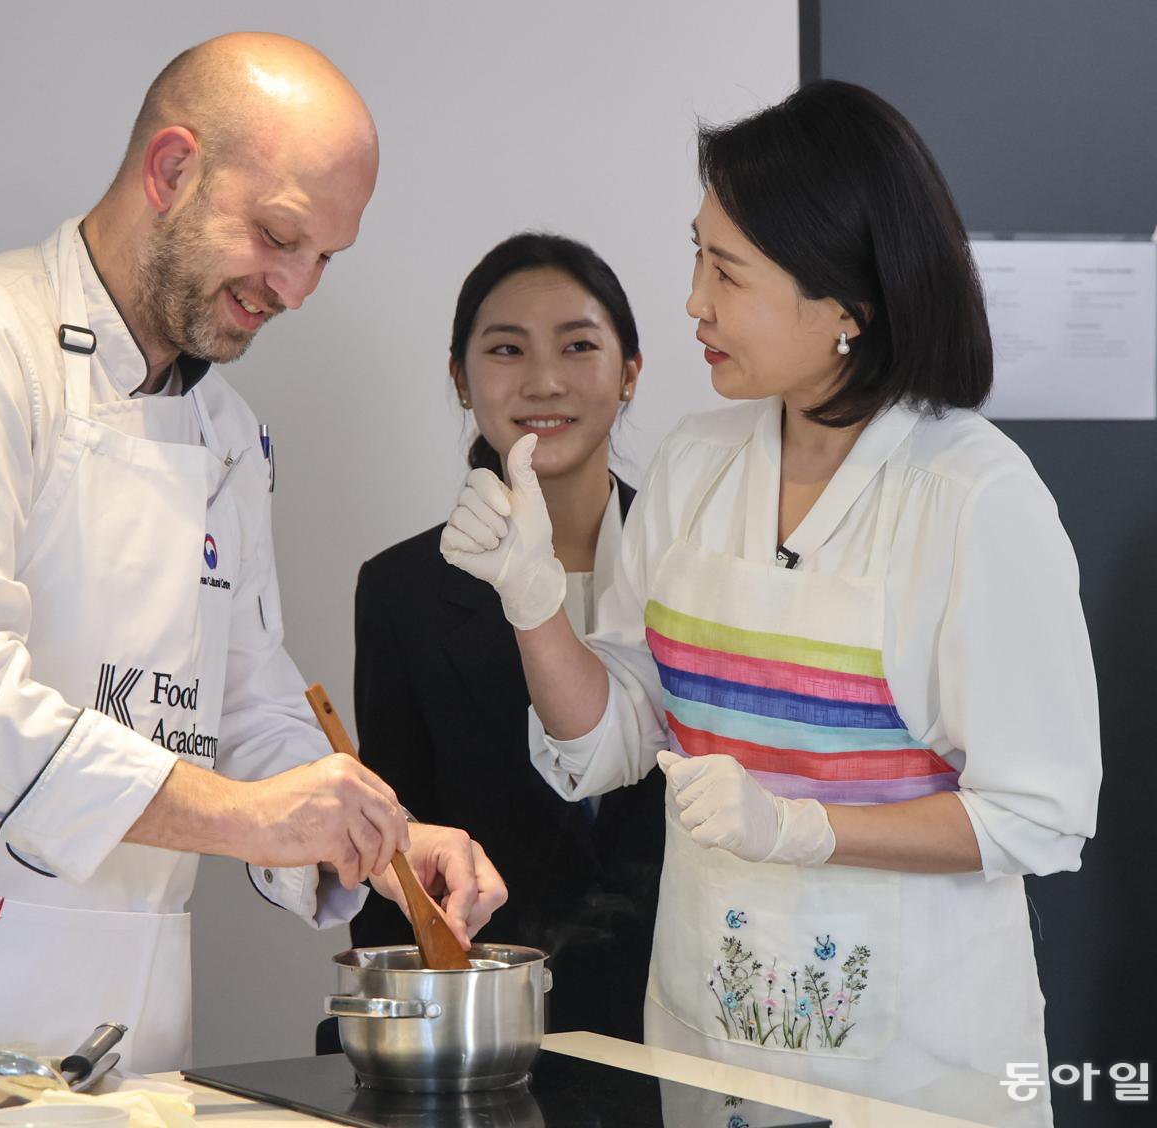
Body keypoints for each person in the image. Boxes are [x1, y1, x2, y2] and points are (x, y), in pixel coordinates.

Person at [0, 32, 505, 1082]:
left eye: (324, 259)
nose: (295, 289)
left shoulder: (230, 438)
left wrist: (382, 844)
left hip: (112, 1024)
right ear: (170, 170)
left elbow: (247, 710)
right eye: (278, 235)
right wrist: (252, 819)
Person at [440, 81, 1100, 1126]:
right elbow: (611, 739)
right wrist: (533, 606)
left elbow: (1037, 815)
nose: (694, 301)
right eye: (696, 256)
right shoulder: (700, 466)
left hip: (911, 1069)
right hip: (711, 1036)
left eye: (727, 271)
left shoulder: (970, 498)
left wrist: (804, 827)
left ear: (846, 303)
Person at [346, 234, 665, 1040]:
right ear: (460, 377)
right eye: (506, 349)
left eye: (579, 345)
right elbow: (395, 854)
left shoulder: (699, 566)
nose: (545, 380)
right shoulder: (403, 591)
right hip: (493, 1038)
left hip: (691, 1023)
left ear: (631, 370)